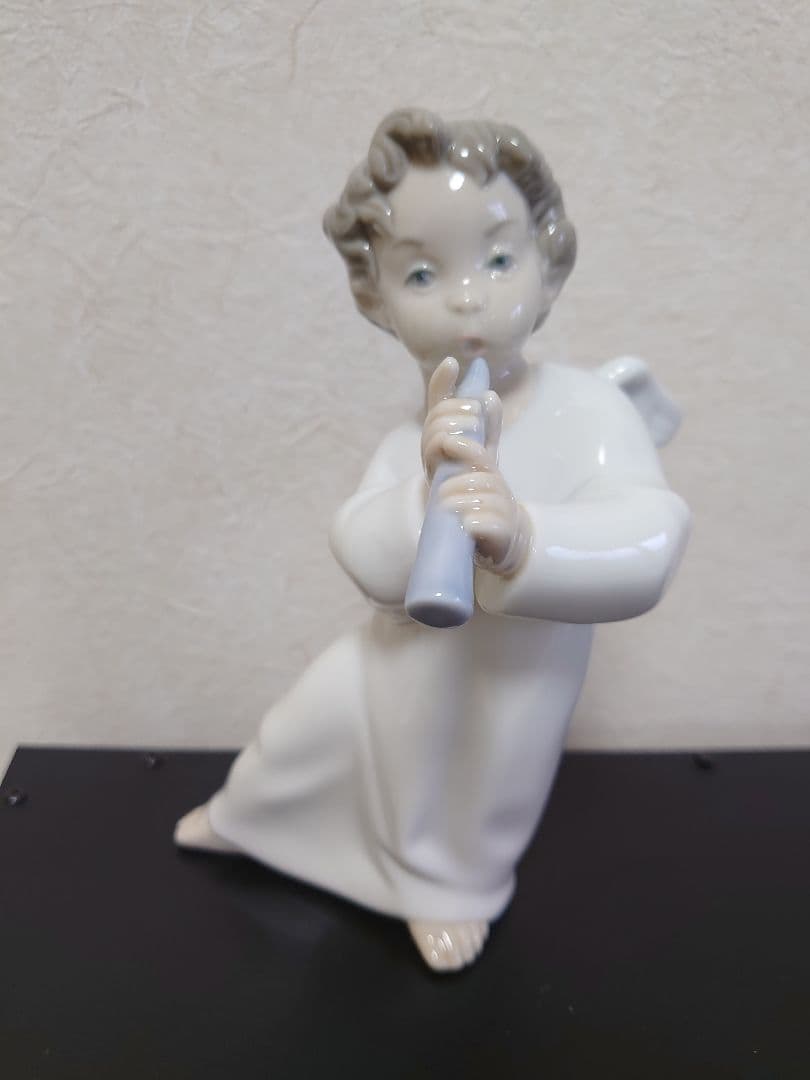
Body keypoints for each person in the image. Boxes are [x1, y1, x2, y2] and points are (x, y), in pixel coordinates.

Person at [175, 109, 690, 973]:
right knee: (309, 722)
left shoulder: (590, 409)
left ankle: (446, 886)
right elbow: (364, 549)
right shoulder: (414, 436)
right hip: (404, 656)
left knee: (477, 780)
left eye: (499, 260)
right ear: (377, 302)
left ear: (549, 263)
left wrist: (526, 540)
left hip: (516, 668)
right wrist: (424, 491)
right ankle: (249, 816)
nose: (466, 297)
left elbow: (652, 533)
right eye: (422, 272)